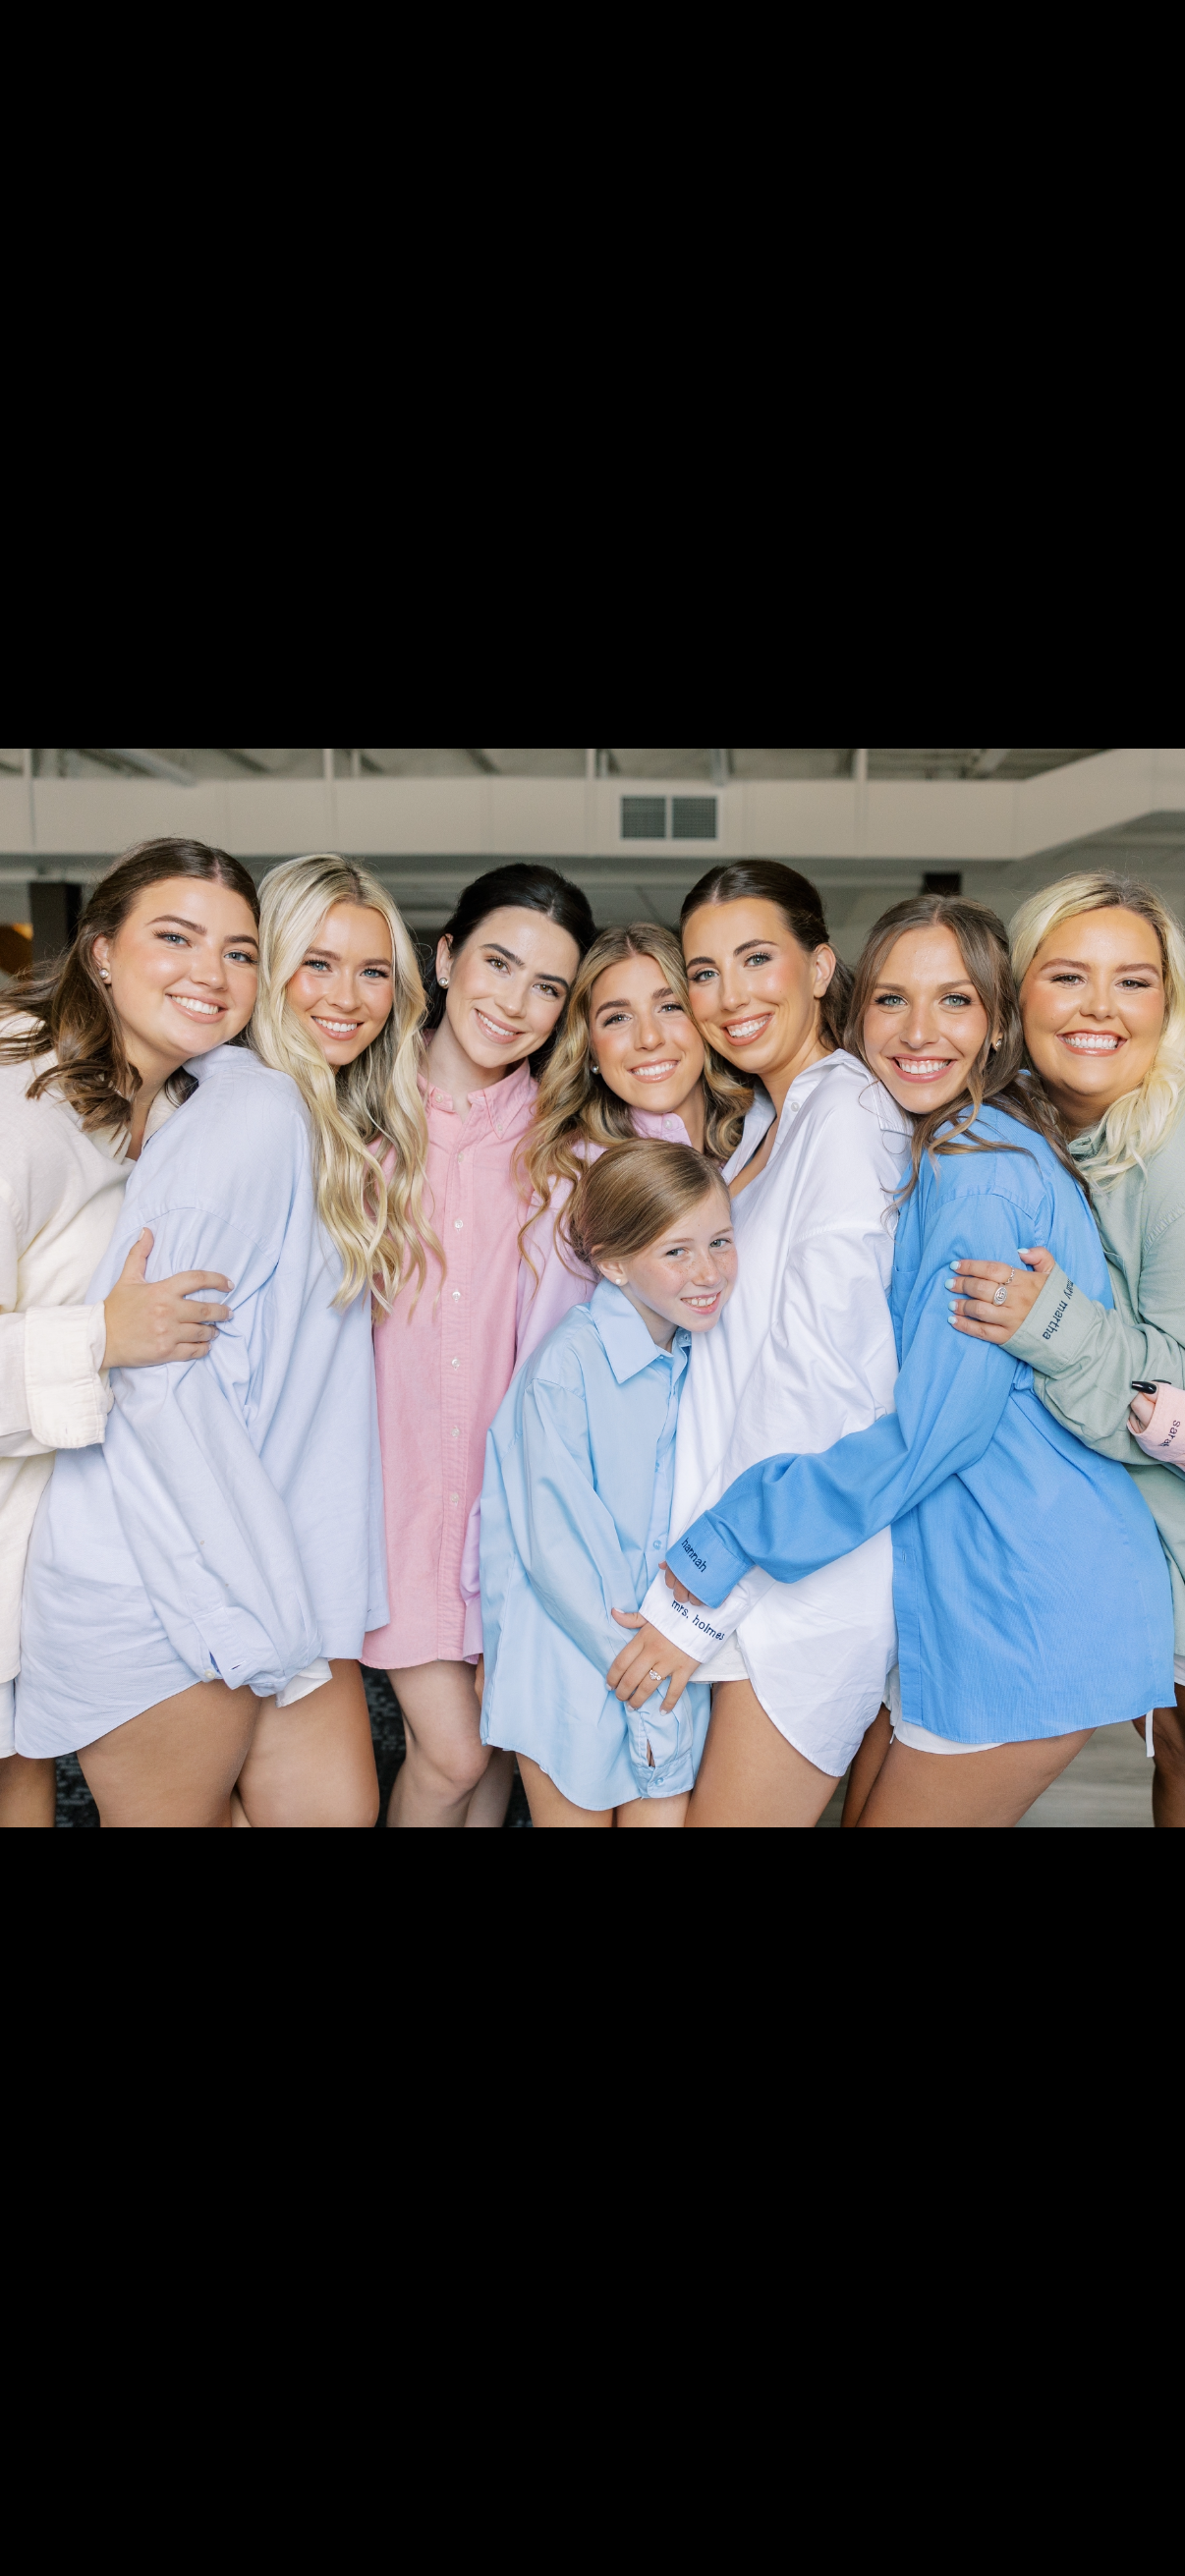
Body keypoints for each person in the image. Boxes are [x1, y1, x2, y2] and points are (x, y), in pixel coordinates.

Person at [611, 894, 1175, 1828]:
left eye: (955, 1001)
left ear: (997, 1023)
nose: (918, 1032)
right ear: (857, 1008)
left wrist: (730, 1538)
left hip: (1026, 1598)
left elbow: (929, 1437)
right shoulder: (947, 1145)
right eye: (892, 1001)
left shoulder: (980, 1172)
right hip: (971, 1591)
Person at [16, 852, 421, 1826]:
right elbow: (161, 1395)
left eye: (373, 971)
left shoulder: (268, 1111)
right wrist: (241, 1607)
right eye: (314, 962)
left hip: (255, 1570)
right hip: (175, 1579)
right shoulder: (249, 1116)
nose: (347, 996)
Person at [605, 860, 908, 1828]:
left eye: (756, 959)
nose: (729, 996)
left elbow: (818, 1386)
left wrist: (702, 1600)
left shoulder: (850, 1114)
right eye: (704, 972)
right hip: (732, 1562)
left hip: (796, 1581)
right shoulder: (770, 1122)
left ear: (819, 967)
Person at [0, 838, 256, 1828]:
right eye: (176, 938)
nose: (211, 972)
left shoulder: (197, 1106)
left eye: (239, 951)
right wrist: (100, 1337)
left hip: (85, 1544)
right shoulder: (19, 1100)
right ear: (101, 951)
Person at [945, 871, 1185, 1826]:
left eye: (1133, 981)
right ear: (1018, 996)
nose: (1099, 1008)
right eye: (1068, 976)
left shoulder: (1173, 1155)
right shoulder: (1021, 1135)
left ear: (1167, 1003)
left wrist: (1055, 1322)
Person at [362, 863, 595, 1828]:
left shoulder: (569, 1151)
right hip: (392, 1512)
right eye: (498, 963)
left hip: (513, 1523)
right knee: (453, 1755)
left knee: (495, 1751)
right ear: (447, 957)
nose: (514, 1003)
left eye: (547, 987)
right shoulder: (353, 1123)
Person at [480, 1142, 735, 1825]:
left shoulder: (700, 1353)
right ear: (614, 1263)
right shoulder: (566, 1368)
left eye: (720, 1241)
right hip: (573, 1667)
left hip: (664, 1661)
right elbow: (558, 1553)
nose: (708, 1271)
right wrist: (647, 1675)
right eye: (676, 1251)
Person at [510, 923, 752, 1367]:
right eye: (617, 1018)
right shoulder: (576, 1177)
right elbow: (551, 1371)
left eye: (670, 1006)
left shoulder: (755, 1144)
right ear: (590, 1049)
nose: (648, 1038)